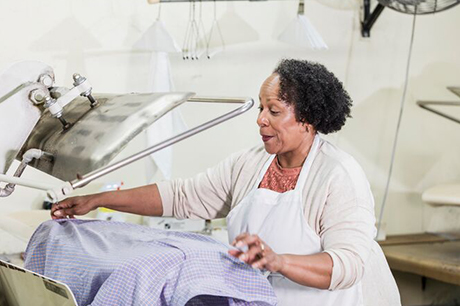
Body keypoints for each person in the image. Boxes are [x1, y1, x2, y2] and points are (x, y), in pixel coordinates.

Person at [52, 59, 401, 306]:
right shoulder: (250, 163)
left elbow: (347, 266)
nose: (260, 120)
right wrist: (97, 200)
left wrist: (279, 261)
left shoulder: (338, 175)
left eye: (274, 111)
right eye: (261, 108)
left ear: (307, 118)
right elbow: (182, 196)